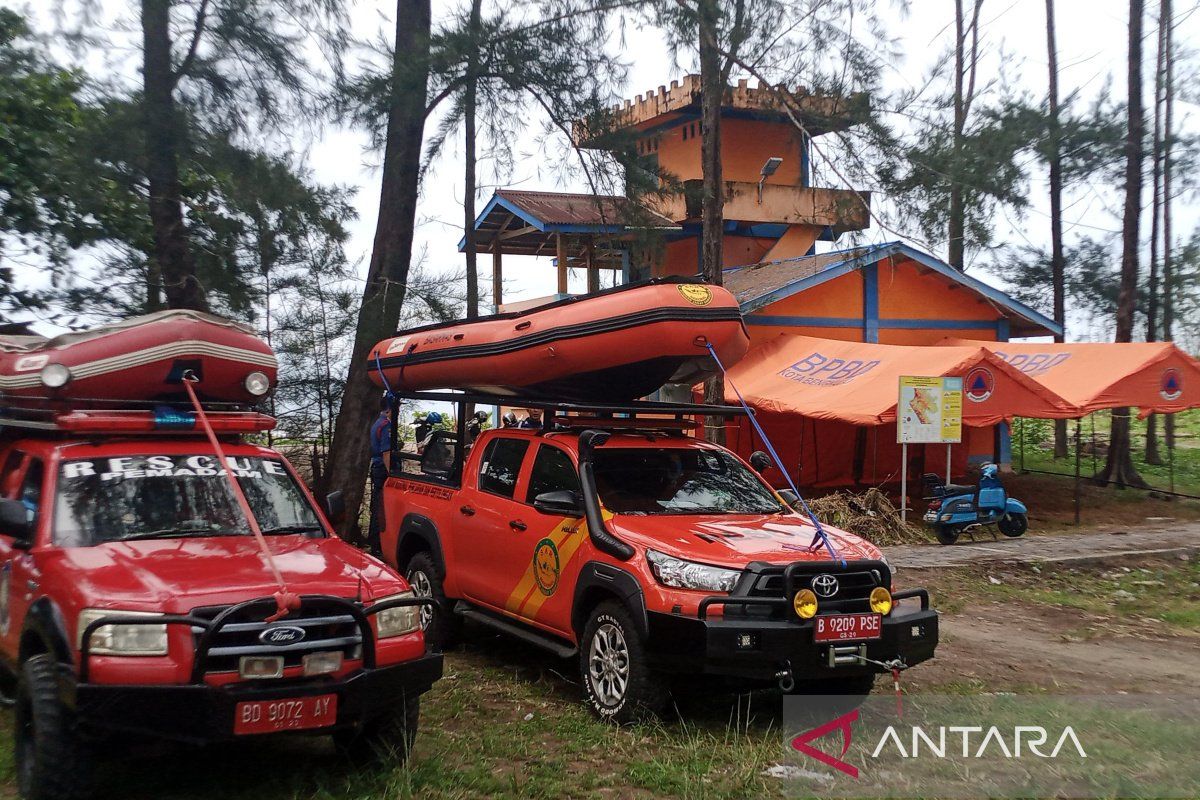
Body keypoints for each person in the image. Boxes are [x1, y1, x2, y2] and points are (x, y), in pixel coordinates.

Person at [367, 395, 393, 557]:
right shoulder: (386, 426)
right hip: (382, 470)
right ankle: (377, 546)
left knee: (377, 504)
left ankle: (374, 542)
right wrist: (393, 475)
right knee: (380, 507)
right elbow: (386, 454)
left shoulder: (377, 423)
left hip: (376, 468)